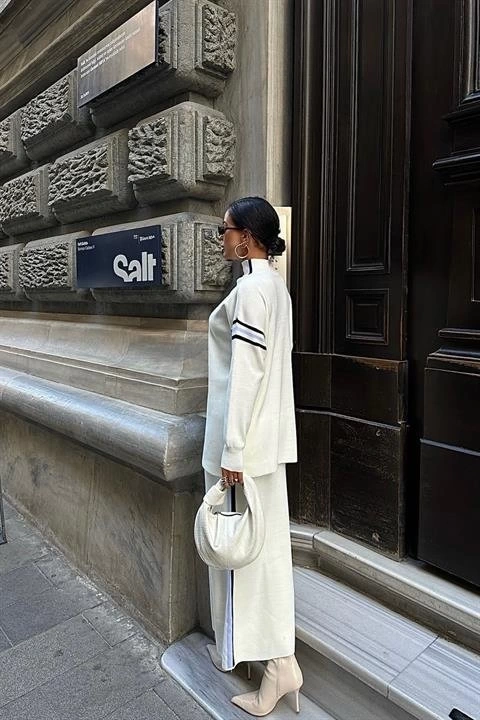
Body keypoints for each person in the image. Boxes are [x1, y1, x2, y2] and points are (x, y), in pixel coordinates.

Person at [201, 196, 303, 716]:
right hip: (264, 445)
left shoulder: (251, 291)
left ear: (246, 238)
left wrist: (233, 449)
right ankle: (259, 657)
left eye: (225, 229)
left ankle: (278, 666)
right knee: (261, 556)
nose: (221, 237)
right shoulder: (275, 288)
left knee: (251, 559)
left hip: (244, 449)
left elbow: (247, 374)